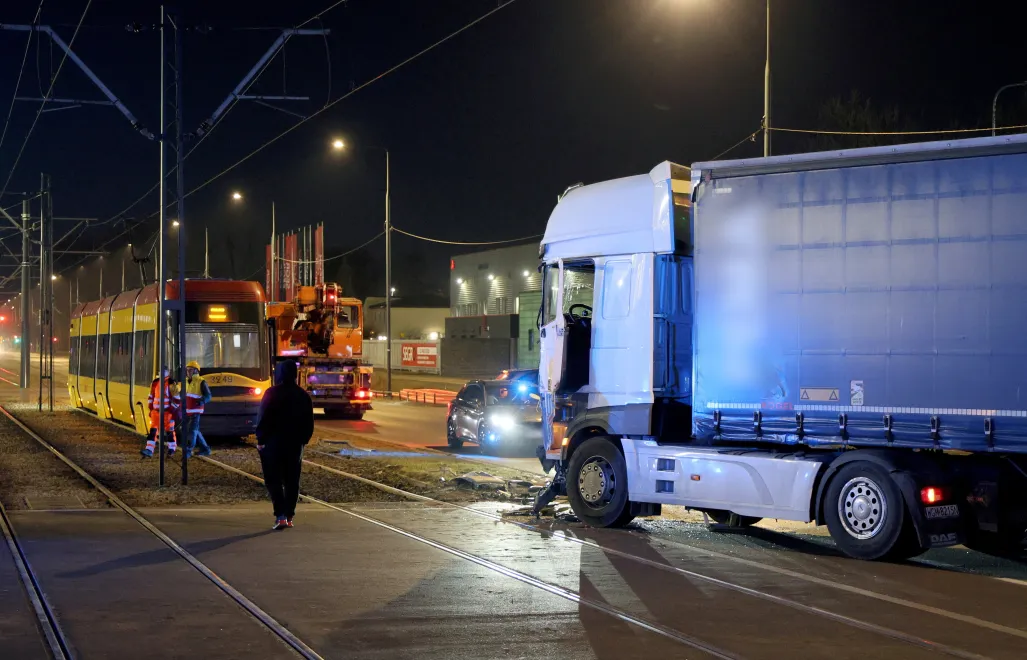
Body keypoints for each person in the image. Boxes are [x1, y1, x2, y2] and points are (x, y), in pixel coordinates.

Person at [255, 360, 314, 530]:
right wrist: (303, 440)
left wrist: (261, 440)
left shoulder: (271, 393)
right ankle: (289, 516)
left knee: (273, 479)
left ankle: (280, 515)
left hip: (273, 444)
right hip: (295, 445)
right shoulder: (303, 396)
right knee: (292, 480)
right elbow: (308, 423)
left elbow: (263, 418)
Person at [178, 360, 213, 457]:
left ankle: (188, 451)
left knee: (192, 431)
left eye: (190, 370)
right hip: (187, 410)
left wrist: (202, 401)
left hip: (196, 410)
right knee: (195, 430)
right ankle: (205, 449)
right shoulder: (185, 382)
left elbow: (208, 395)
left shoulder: (201, 381)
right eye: (187, 370)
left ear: (196, 371)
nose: (188, 372)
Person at [142, 366, 177, 457]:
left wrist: (171, 410)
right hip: (156, 412)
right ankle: (149, 449)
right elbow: (151, 396)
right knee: (153, 431)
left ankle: (171, 449)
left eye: (163, 371)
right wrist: (151, 408)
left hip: (167, 413)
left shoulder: (171, 383)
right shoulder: (155, 383)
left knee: (169, 432)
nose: (161, 373)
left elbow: (177, 399)